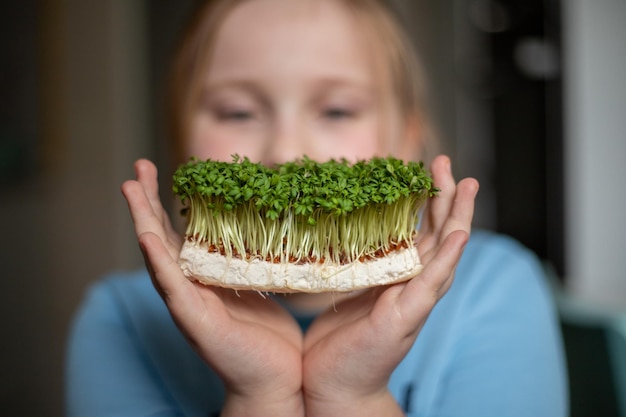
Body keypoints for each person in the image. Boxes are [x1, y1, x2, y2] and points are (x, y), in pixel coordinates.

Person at [66, 0, 568, 416]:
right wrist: (260, 397)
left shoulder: (495, 288)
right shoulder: (121, 320)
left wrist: (355, 397)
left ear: (409, 139)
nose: (286, 151)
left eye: (337, 109)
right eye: (237, 111)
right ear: (179, 140)